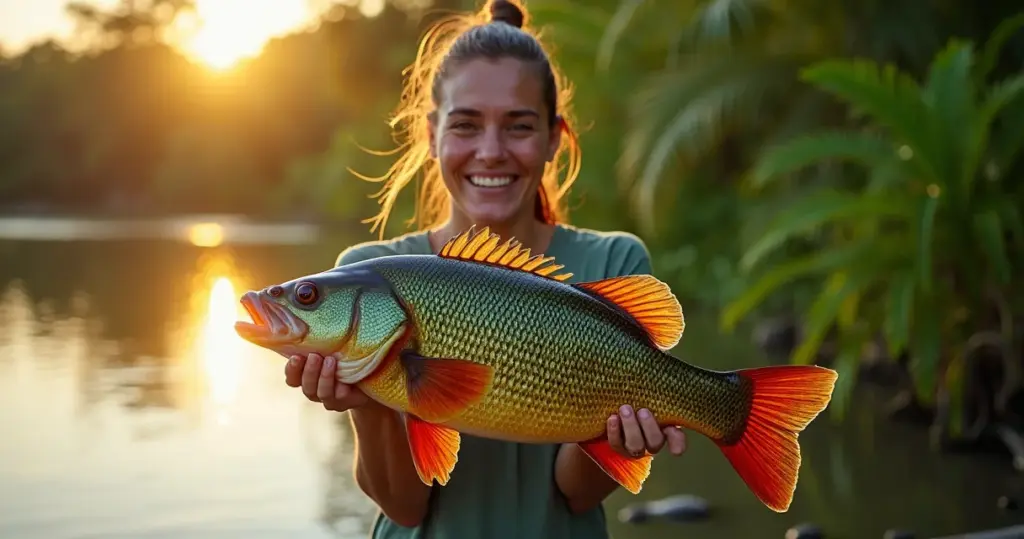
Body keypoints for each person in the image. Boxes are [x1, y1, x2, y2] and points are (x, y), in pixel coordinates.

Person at [283, 1, 688, 537]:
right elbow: (406, 508)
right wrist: (370, 401)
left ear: (552, 139)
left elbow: (574, 492)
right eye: (467, 125)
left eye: (519, 127)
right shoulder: (366, 270)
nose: (491, 151)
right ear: (432, 135)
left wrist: (616, 440)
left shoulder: (613, 263)